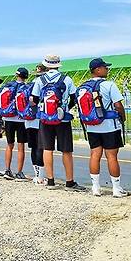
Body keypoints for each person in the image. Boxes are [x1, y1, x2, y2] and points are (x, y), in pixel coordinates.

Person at [31, 54, 86, 191]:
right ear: (58, 65)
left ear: (46, 65)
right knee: (66, 150)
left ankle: (50, 181)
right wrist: (64, 109)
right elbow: (74, 97)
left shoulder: (40, 80)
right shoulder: (66, 79)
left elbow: (34, 98)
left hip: (45, 119)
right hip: (63, 118)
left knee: (47, 149)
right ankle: (69, 182)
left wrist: (44, 108)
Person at [78, 58, 130, 197]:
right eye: (105, 67)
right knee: (111, 156)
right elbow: (118, 105)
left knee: (95, 155)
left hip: (91, 126)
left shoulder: (83, 87)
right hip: (109, 126)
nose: (107, 69)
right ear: (98, 69)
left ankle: (95, 188)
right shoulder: (109, 85)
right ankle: (116, 189)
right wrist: (122, 117)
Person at [1, 69, 29, 180]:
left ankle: (7, 170)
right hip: (21, 119)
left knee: (9, 145)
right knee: (21, 146)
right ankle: (19, 173)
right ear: (25, 76)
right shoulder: (26, 87)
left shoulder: (7, 86)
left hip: (8, 118)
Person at [23, 65, 46, 184]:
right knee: (40, 147)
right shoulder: (43, 84)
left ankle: (36, 175)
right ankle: (41, 177)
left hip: (28, 120)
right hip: (39, 119)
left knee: (33, 147)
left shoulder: (28, 85)